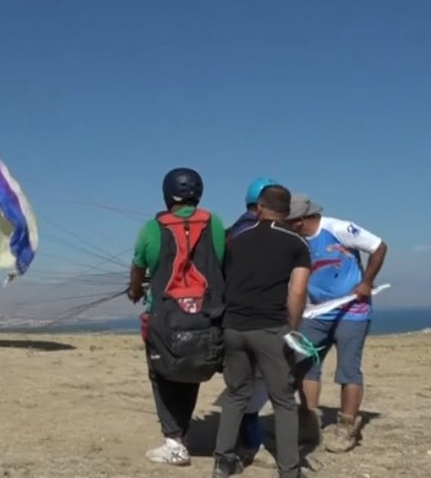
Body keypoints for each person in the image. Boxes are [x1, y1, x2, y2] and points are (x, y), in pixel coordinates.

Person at [127, 167, 228, 466]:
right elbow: (219, 260)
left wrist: (135, 291)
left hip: (166, 317)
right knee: (191, 370)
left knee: (163, 375)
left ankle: (174, 441)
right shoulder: (216, 223)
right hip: (206, 315)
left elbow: (139, 268)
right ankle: (180, 432)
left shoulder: (151, 228)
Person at [211, 184, 311, 478]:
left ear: (259, 207)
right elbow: (298, 290)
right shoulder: (296, 243)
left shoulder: (237, 239)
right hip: (270, 327)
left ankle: (223, 461)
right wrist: (292, 328)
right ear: (288, 211)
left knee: (235, 395)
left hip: (233, 326)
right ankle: (290, 470)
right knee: (283, 401)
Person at [285, 193, 388, 454]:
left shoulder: (339, 228)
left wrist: (366, 281)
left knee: (348, 369)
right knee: (305, 365)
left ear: (298, 220)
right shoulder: (295, 240)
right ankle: (308, 422)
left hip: (352, 310)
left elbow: (378, 246)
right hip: (317, 312)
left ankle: (347, 425)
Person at [223, 177, 281, 469]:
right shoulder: (264, 234)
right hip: (261, 319)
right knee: (257, 387)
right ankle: (249, 445)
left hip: (232, 318)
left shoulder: (231, 233)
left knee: (240, 385)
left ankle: (237, 447)